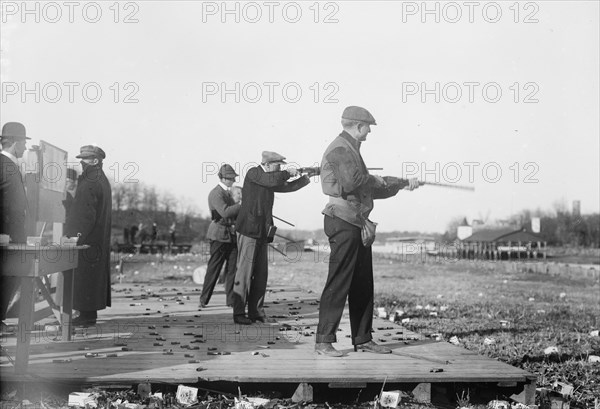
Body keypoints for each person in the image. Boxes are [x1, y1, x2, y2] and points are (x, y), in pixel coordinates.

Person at [315, 106, 419, 357]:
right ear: (357, 126)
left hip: (356, 223)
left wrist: (401, 184)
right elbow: (353, 182)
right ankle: (323, 341)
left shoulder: (351, 150)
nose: (370, 131)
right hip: (343, 222)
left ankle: (363, 339)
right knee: (339, 281)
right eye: (368, 127)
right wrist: (381, 180)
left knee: (363, 284)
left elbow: (366, 187)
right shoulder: (341, 147)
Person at [232, 152, 313, 325]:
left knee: (261, 274)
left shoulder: (267, 179)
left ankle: (256, 312)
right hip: (248, 230)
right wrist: (289, 172)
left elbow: (287, 187)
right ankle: (239, 313)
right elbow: (273, 180)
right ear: (268, 164)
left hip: (262, 231)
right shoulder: (254, 173)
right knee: (245, 273)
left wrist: (305, 178)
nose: (280, 168)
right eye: (278, 165)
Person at [65, 145, 112, 327]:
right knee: (91, 278)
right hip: (97, 239)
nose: (81, 162)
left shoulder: (90, 181)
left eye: (85, 159)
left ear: (95, 160)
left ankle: (85, 316)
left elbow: (85, 214)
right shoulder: (101, 179)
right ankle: (88, 315)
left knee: (84, 277)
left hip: (87, 240)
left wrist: (75, 237)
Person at [199, 164, 241, 308]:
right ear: (223, 178)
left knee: (232, 270)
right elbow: (225, 212)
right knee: (214, 268)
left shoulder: (228, 193)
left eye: (234, 178)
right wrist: (242, 205)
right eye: (230, 178)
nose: (233, 180)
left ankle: (231, 301)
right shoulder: (216, 193)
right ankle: (204, 299)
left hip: (231, 236)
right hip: (218, 235)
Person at [0, 122, 30, 319]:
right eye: (23, 143)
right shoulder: (6, 165)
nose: (25, 148)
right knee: (7, 278)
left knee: (9, 278)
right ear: (14, 143)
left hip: (10, 235)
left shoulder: (9, 165)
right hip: (7, 235)